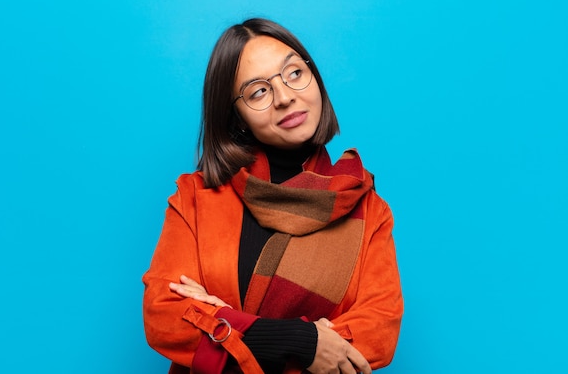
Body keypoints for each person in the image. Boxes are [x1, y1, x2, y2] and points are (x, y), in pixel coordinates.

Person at [142, 18, 403, 374]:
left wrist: (224, 323)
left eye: (294, 73)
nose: (285, 97)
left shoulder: (368, 209)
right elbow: (164, 318)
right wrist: (302, 342)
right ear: (237, 117)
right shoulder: (196, 197)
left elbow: (377, 334)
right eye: (259, 91)